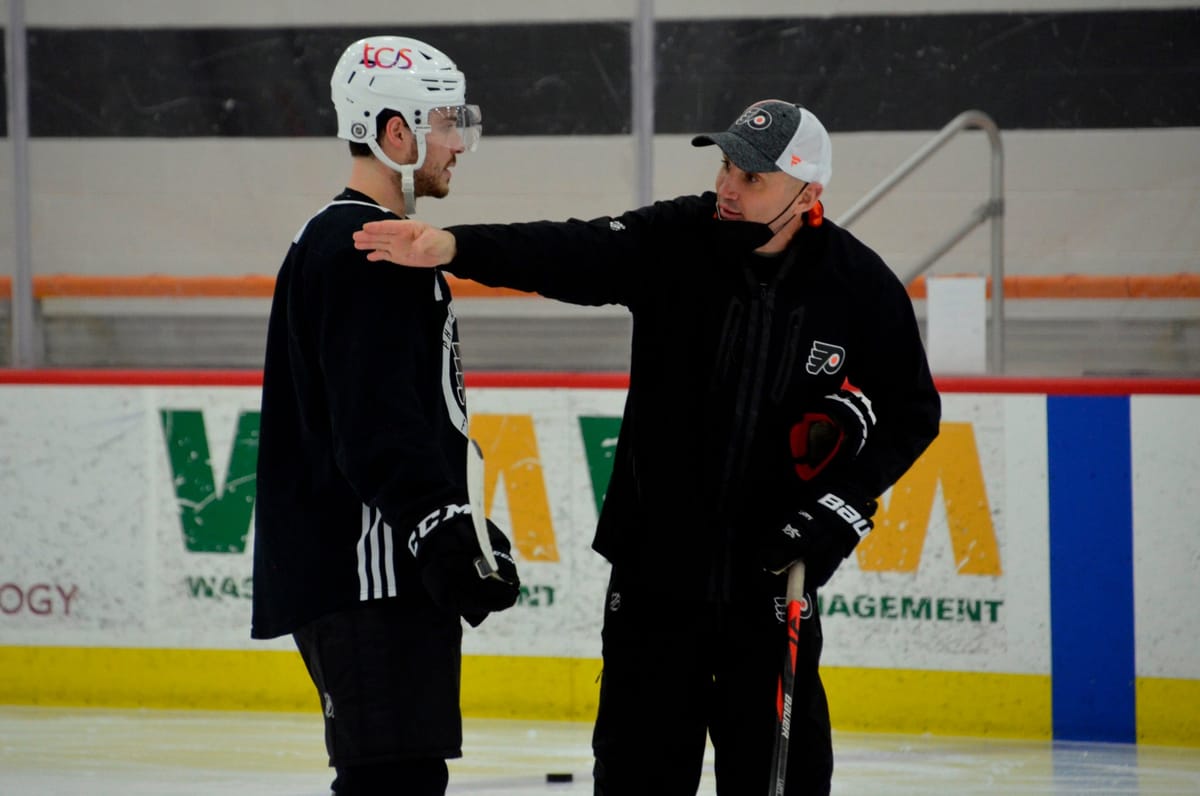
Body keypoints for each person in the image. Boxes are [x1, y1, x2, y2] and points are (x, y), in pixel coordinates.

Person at [352, 99, 941, 795]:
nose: (728, 185)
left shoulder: (858, 284)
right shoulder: (679, 239)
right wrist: (454, 247)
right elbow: (574, 251)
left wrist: (842, 509)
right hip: (654, 590)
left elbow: (912, 411)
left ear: (807, 192)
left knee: (785, 781)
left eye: (752, 178)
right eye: (726, 165)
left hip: (773, 592)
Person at [251, 35, 520, 796]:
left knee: (404, 774)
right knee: (391, 781)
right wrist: (437, 524)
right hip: (367, 569)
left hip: (386, 564)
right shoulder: (362, 246)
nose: (457, 146)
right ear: (394, 132)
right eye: (444, 123)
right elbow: (371, 420)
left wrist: (447, 519)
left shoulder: (371, 240)